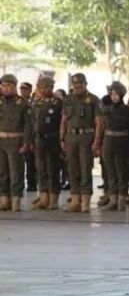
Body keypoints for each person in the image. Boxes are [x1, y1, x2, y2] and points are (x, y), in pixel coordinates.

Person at [60, 73, 102, 213]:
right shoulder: (68, 99)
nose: (77, 88)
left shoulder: (94, 100)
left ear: (85, 84)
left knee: (85, 169)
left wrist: (96, 141)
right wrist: (62, 138)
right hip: (71, 137)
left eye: (80, 85)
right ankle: (75, 200)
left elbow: (99, 122)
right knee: (72, 170)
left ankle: (85, 202)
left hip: (86, 137)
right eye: (75, 85)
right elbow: (64, 121)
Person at [100, 81, 129, 211]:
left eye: (116, 94)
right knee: (110, 172)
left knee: (121, 172)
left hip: (122, 142)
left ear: (121, 95)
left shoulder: (127, 110)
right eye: (112, 94)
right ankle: (113, 199)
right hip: (109, 141)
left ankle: (121, 199)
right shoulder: (108, 108)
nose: (113, 96)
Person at [0, 74, 33, 212]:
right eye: (3, 86)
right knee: (2, 172)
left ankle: (15, 200)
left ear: (14, 87)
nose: (6, 89)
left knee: (16, 172)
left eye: (9, 86)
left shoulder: (23, 103)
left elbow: (28, 125)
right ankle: (4, 199)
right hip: (1, 140)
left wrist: (25, 143)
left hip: (16, 141)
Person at [30, 75, 62, 210]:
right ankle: (43, 197)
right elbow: (32, 123)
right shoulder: (36, 103)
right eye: (40, 87)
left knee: (53, 169)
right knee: (41, 169)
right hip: (39, 139)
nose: (42, 90)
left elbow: (63, 122)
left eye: (45, 87)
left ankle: (53, 198)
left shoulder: (58, 103)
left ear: (51, 87)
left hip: (53, 139)